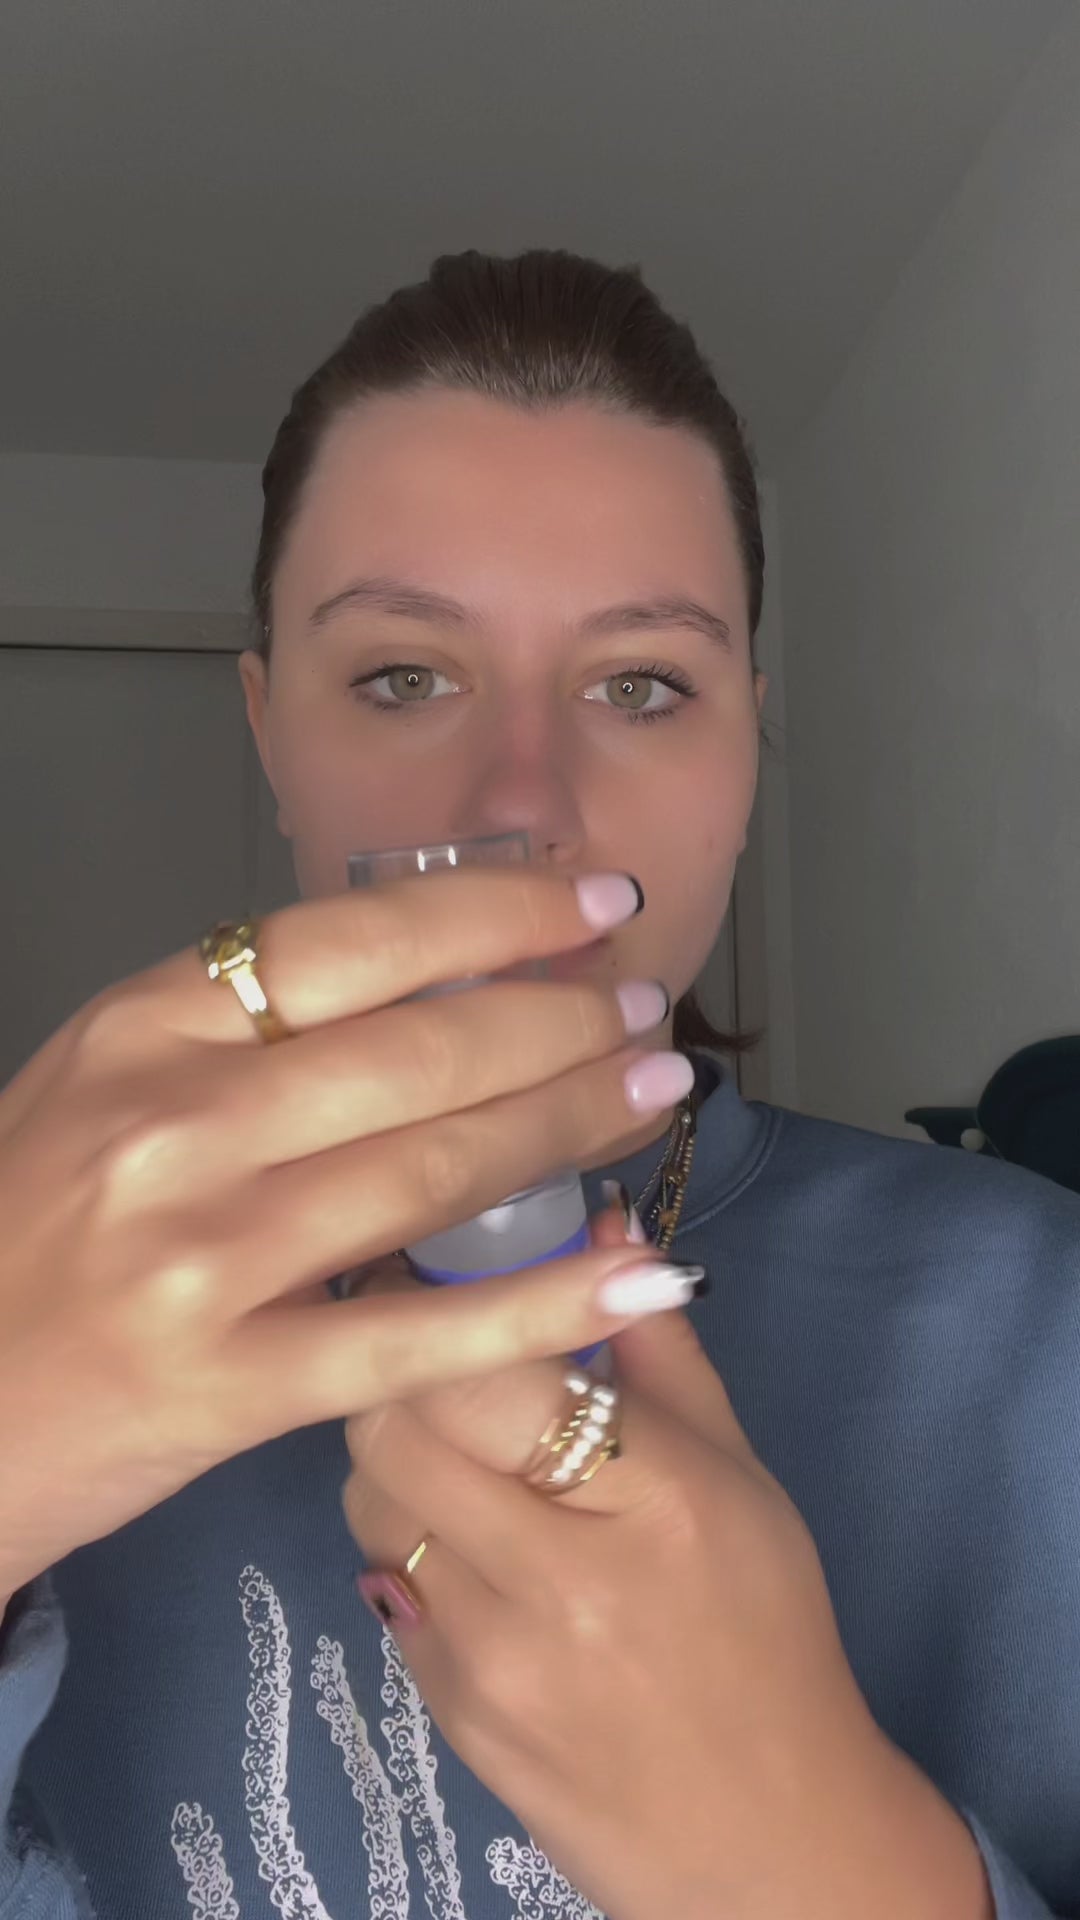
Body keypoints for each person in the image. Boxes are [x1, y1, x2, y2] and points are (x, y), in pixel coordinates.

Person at [1, 249, 1077, 1920]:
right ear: (269, 728)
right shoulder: (35, 1286)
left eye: (642, 685)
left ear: (746, 754)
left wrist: (829, 1863)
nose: (522, 801)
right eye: (403, 676)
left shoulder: (1037, 1321)